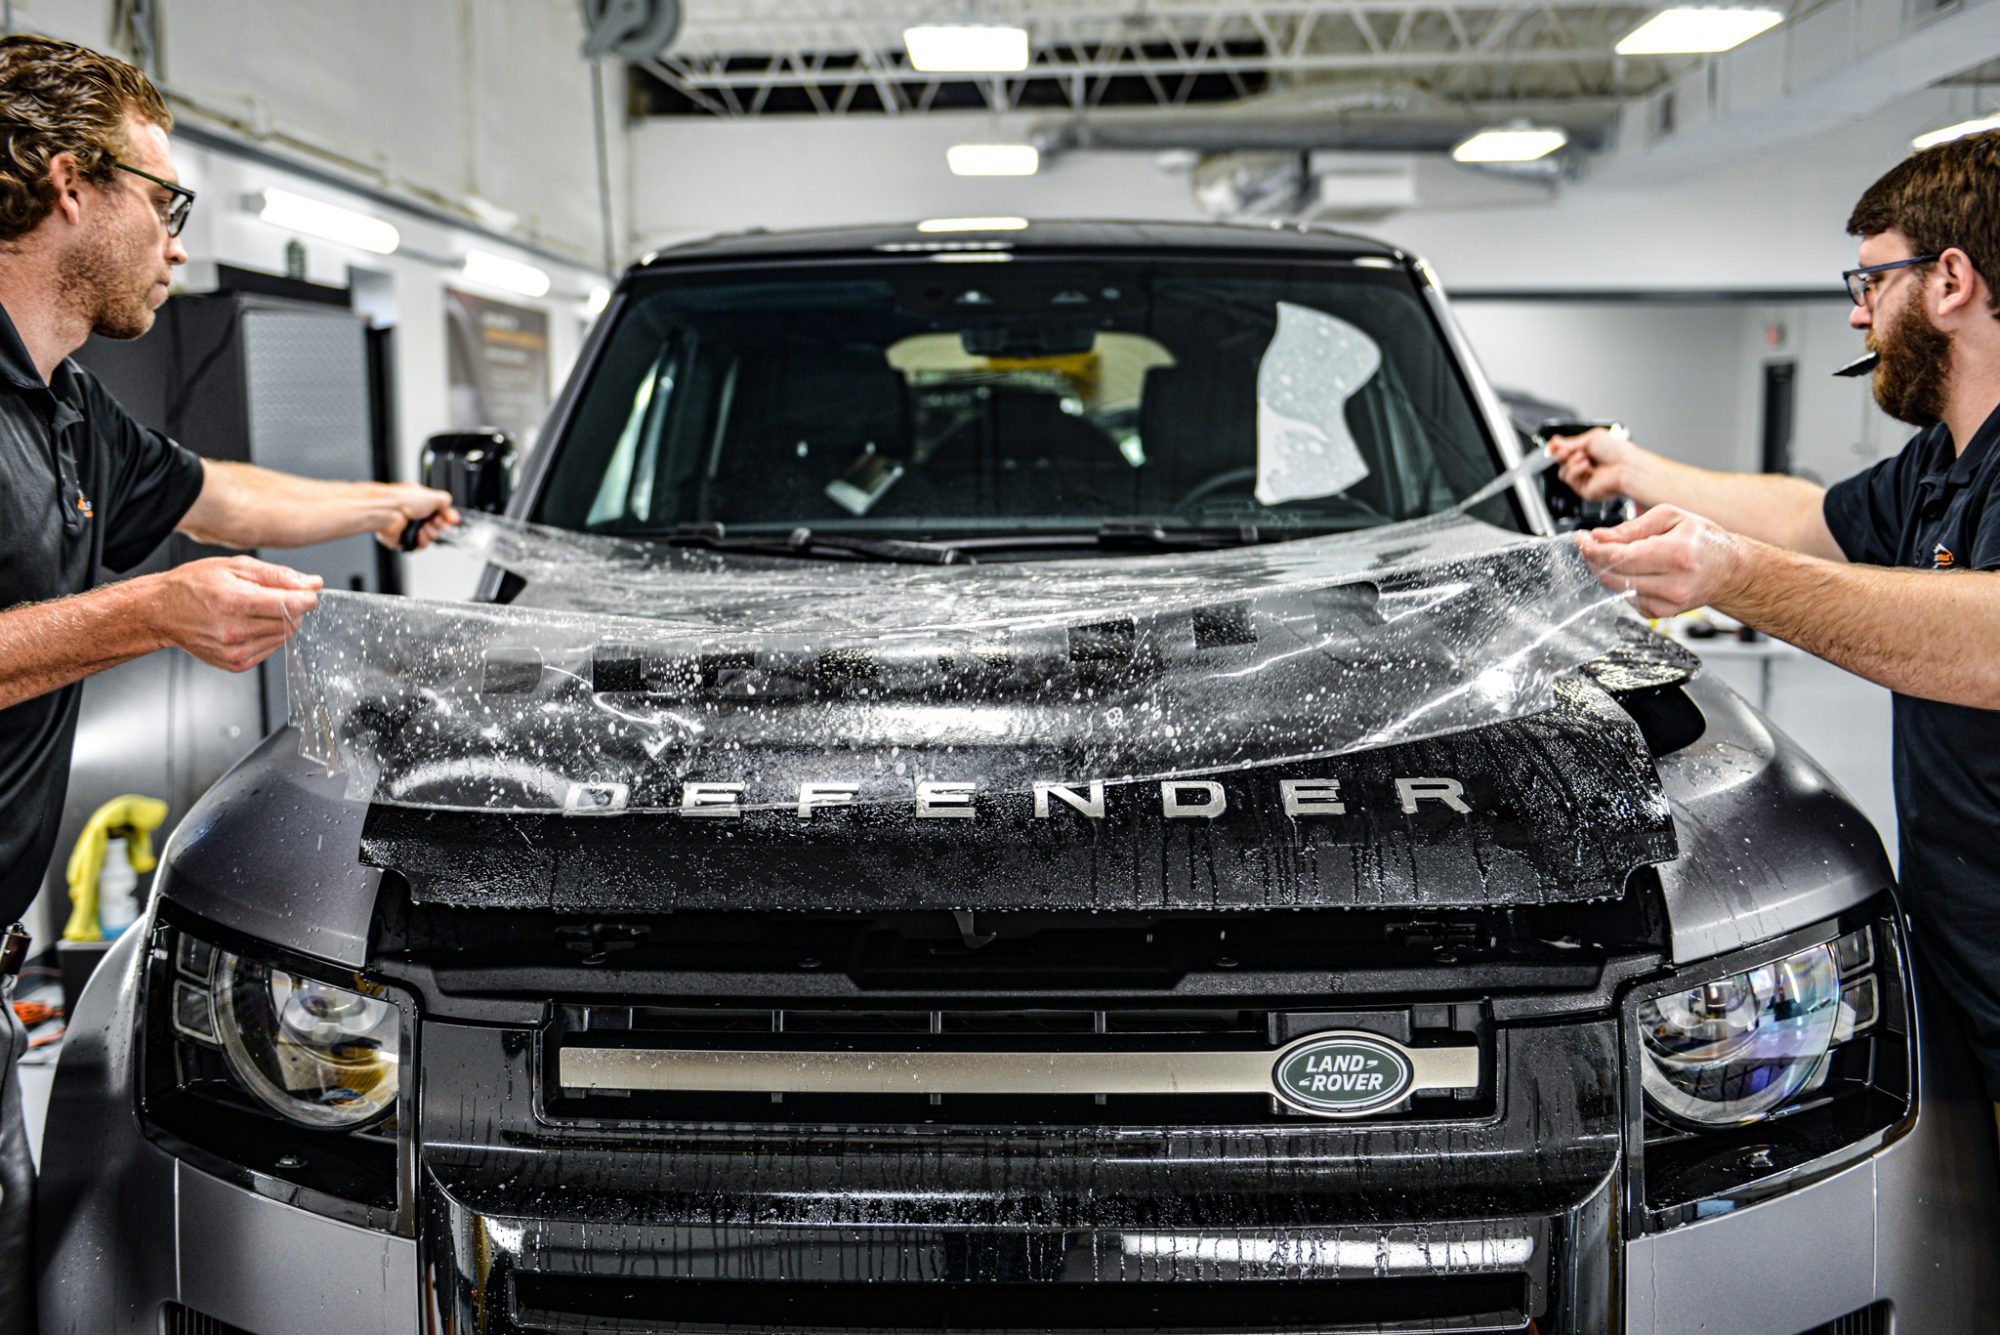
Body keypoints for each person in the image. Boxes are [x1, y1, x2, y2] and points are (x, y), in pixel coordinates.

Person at [0, 35, 456, 1321]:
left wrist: (390, 507)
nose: (181, 244)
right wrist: (149, 612)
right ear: (66, 181)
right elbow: (156, 580)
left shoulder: (65, 408)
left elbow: (214, 496)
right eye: (167, 202)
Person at [1550, 128, 2000, 1124]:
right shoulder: (1943, 460)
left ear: (1950, 279)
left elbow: (1988, 640)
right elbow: (1806, 518)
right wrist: (1631, 469)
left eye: (1870, 280)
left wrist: (1729, 576)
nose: (1855, 312)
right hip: (1965, 967)